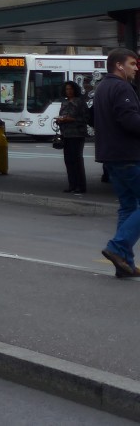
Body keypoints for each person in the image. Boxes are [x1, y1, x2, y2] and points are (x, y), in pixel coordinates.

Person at [94, 48, 140, 278]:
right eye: (132, 63)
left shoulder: (103, 87)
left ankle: (125, 264)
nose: (136, 68)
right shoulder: (122, 87)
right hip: (129, 155)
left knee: (128, 206)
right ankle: (118, 247)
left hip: (111, 156)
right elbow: (130, 120)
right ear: (119, 66)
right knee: (131, 205)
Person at [55, 80, 90, 194]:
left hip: (77, 134)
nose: (69, 91)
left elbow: (86, 119)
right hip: (66, 134)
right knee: (68, 160)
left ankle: (81, 185)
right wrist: (60, 120)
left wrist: (72, 119)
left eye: (70, 89)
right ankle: (72, 184)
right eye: (67, 89)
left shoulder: (80, 102)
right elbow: (62, 116)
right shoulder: (64, 103)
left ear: (75, 90)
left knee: (77, 160)